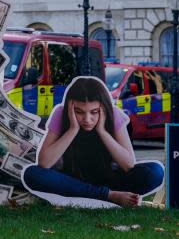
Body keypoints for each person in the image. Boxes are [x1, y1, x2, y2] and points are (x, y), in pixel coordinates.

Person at [22, 76, 164, 208]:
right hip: (72, 180)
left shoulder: (113, 114)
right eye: (79, 111)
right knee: (32, 173)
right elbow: (44, 163)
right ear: (70, 108)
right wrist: (72, 129)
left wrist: (102, 131)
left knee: (155, 172)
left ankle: (100, 194)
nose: (87, 119)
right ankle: (107, 196)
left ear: (103, 109)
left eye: (94, 112)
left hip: (111, 179)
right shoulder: (61, 113)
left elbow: (128, 164)